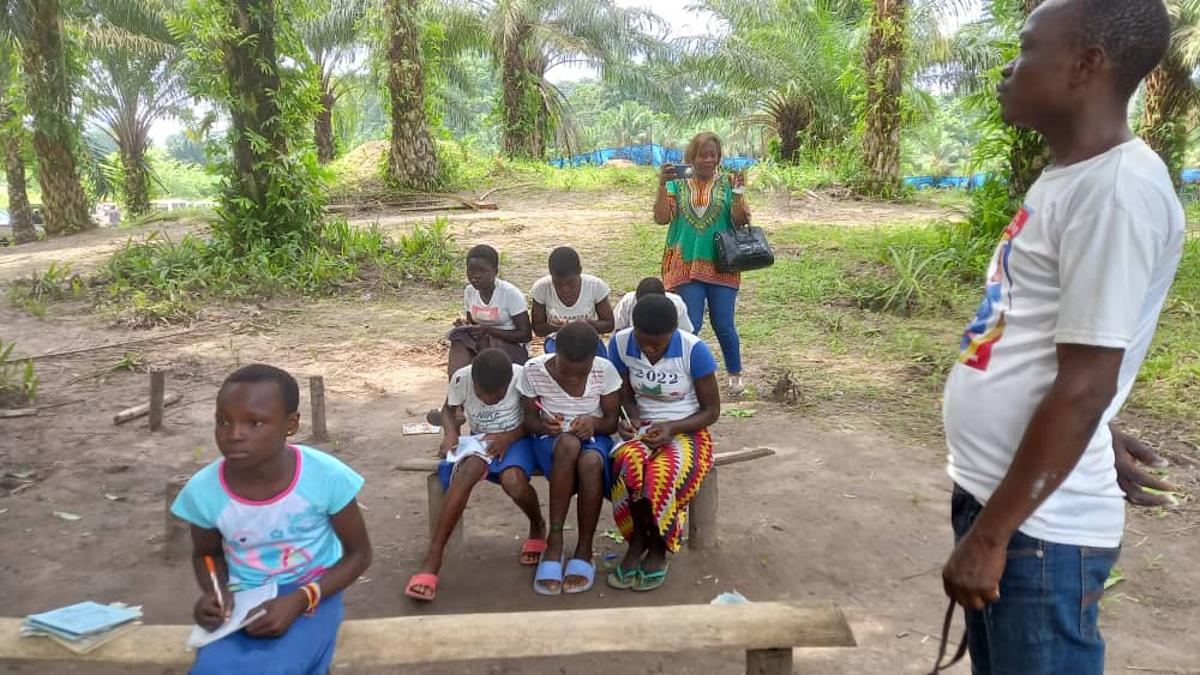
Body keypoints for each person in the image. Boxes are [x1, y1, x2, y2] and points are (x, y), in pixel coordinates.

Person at [938, 2, 1184, 673]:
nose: (1008, 69)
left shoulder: (1117, 192)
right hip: (1010, 508)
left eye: (1026, 49)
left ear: (1085, 65)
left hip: (1038, 535)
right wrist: (1090, 427)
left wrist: (992, 536)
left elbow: (1085, 384)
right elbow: (1065, 345)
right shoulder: (1072, 178)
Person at [171, 364, 372, 674]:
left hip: (314, 592)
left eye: (254, 423)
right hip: (242, 600)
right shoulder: (204, 491)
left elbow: (359, 555)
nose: (234, 435)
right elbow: (206, 555)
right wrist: (215, 592)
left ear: (290, 425)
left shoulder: (326, 476)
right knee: (212, 667)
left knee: (280, 665)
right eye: (223, 421)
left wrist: (301, 599)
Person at [406, 349, 546, 602]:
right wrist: (451, 433)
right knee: (467, 472)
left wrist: (508, 437)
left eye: (497, 395)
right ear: (474, 382)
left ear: (507, 383)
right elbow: (448, 410)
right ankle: (433, 557)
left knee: (513, 481)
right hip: (479, 441)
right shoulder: (462, 378)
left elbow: (532, 421)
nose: (489, 400)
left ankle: (537, 525)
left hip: (516, 440)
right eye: (482, 394)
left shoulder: (521, 377)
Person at [606, 295, 720, 592]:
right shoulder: (620, 344)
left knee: (661, 474)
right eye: (643, 342)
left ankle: (658, 545)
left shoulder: (693, 350)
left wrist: (672, 427)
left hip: (688, 428)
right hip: (643, 428)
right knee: (628, 464)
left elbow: (711, 411)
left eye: (657, 344)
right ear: (633, 329)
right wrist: (629, 418)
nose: (649, 349)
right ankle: (637, 540)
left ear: (673, 332)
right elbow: (623, 395)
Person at [517, 322, 620, 595]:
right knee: (567, 443)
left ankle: (584, 548)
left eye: (581, 372)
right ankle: (555, 540)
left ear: (593, 359)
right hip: (550, 443)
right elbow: (528, 419)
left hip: (594, 439)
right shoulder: (534, 370)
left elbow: (611, 421)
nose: (573, 378)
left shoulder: (604, 370)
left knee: (591, 462)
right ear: (555, 353)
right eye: (565, 371)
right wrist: (543, 425)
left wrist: (593, 423)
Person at [653, 132, 750, 395]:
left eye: (713, 156)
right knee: (690, 324)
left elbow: (739, 221)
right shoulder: (677, 184)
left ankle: (735, 374)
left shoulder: (728, 182)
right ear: (691, 157)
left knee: (724, 323)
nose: (708, 160)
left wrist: (739, 194)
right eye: (702, 155)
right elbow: (661, 218)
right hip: (685, 263)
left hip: (722, 263)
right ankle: (685, 375)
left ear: (719, 157)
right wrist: (662, 185)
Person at [447, 244, 532, 375]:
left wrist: (489, 331)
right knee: (458, 339)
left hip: (510, 347)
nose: (476, 276)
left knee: (489, 350)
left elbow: (525, 335)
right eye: (471, 270)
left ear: (495, 271)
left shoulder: (509, 293)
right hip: (482, 342)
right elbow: (473, 323)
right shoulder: (470, 291)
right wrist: (465, 326)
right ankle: (456, 381)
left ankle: (477, 377)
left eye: (483, 270)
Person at [530, 246, 614, 357]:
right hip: (557, 340)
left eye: (571, 283)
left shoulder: (595, 286)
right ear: (551, 274)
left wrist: (588, 324)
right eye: (558, 284)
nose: (565, 289)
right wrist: (557, 328)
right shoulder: (541, 288)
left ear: (580, 271)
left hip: (588, 338)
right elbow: (538, 328)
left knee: (600, 362)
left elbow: (609, 324)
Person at [612, 277, 694, 334]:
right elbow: (617, 329)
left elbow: (685, 333)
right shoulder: (627, 302)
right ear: (636, 298)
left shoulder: (676, 304)